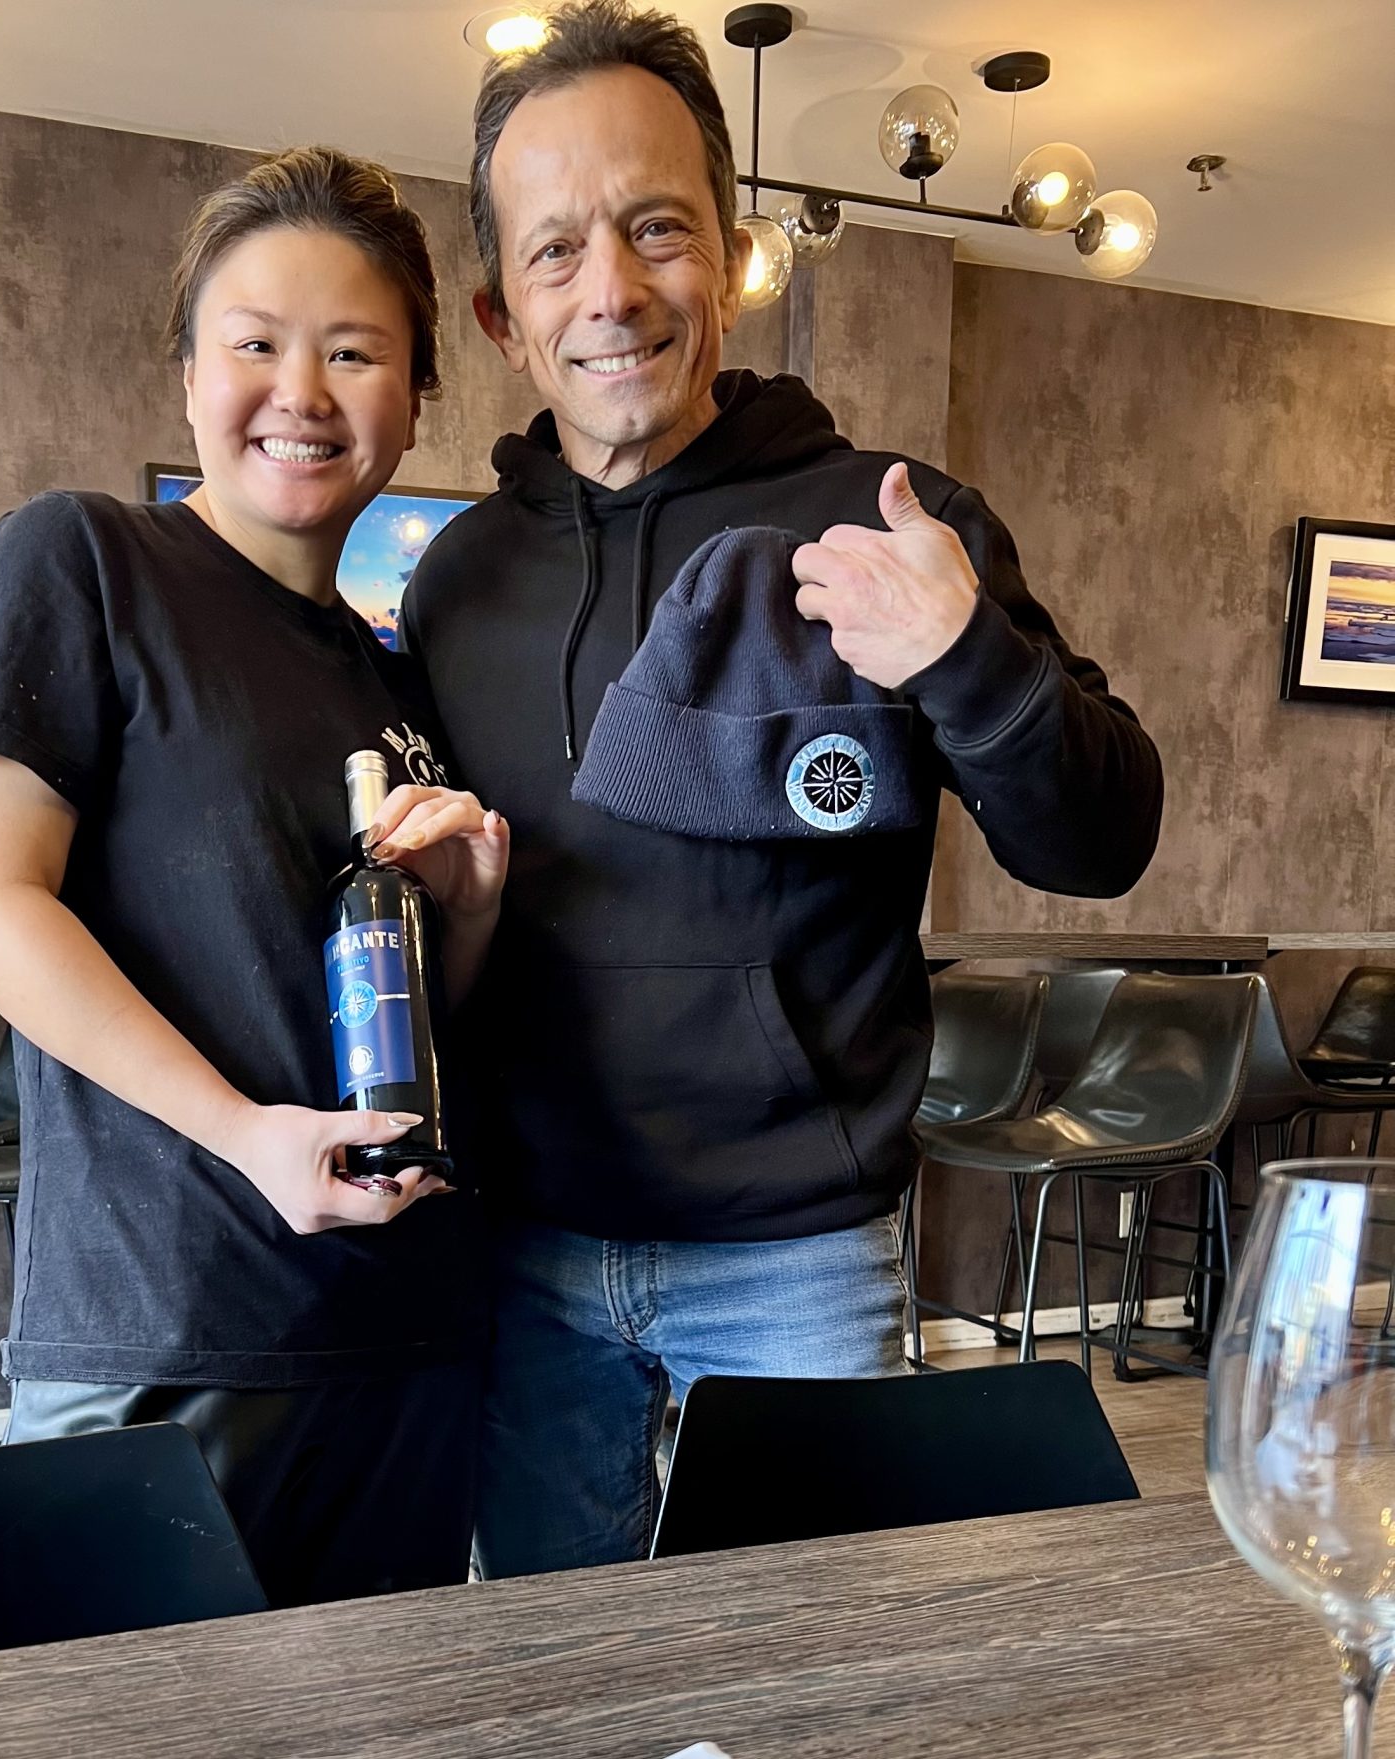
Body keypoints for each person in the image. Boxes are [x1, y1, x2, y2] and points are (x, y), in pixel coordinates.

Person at [403, 0, 1163, 1576]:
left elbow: (1104, 841)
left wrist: (964, 653)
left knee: (819, 1668)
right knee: (553, 1671)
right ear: (501, 315)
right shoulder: (458, 582)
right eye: (555, 253)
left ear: (735, 255)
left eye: (657, 228)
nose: (611, 291)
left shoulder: (895, 520)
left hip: (800, 1262)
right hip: (526, 1254)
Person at [0, 146, 508, 1608]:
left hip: (404, 1333)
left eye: (353, 352)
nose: (302, 391)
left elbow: (406, 1020)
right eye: (255, 344)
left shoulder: (397, 680)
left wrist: (471, 915)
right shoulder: (86, 561)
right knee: (131, 1754)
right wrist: (245, 1135)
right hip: (168, 1325)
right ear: (189, 376)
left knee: (384, 1751)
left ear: (414, 398)